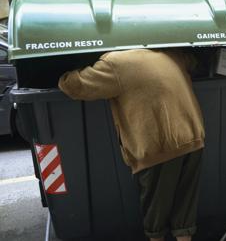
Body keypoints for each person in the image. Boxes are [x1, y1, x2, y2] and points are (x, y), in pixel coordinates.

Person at [58, 48, 205, 241]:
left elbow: (74, 86)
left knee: (155, 216)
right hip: (192, 138)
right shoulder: (169, 53)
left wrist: (65, 72)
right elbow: (194, 62)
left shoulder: (114, 64)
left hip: (158, 148)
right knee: (184, 212)